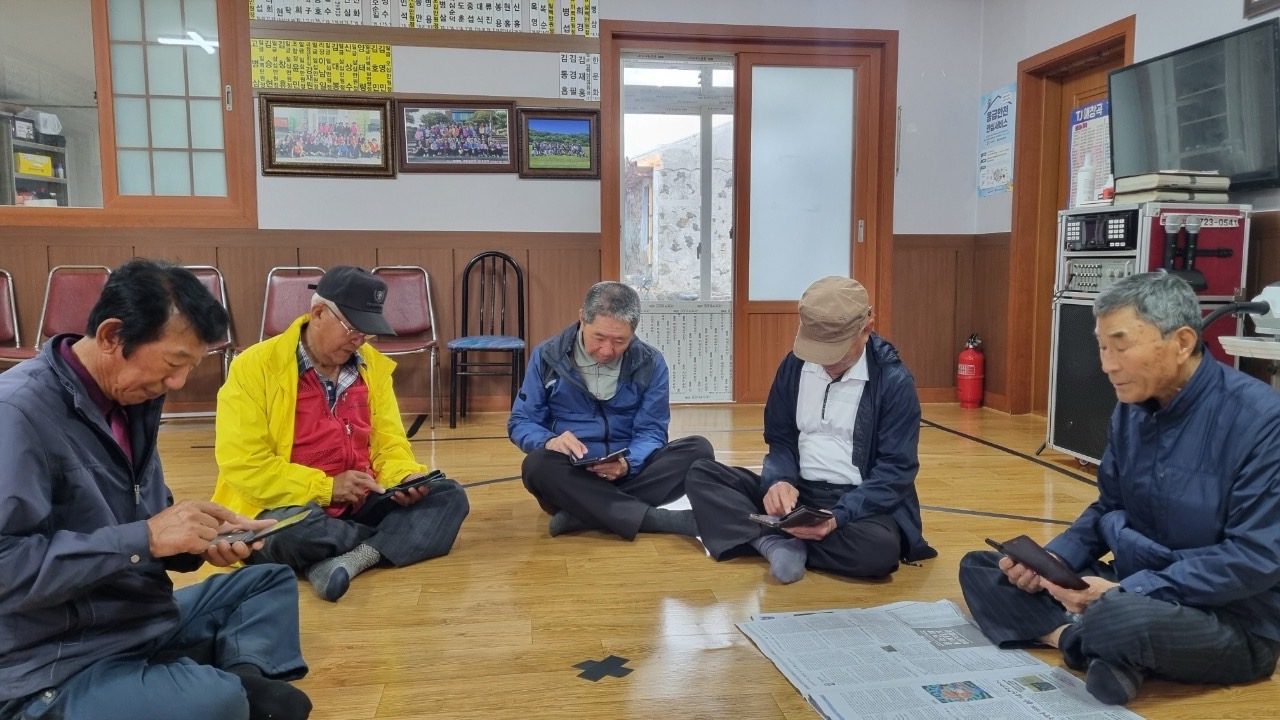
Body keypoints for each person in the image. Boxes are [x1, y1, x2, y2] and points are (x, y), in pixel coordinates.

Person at [0, 259, 311, 720]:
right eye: (174, 362)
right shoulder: (16, 412)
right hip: (54, 658)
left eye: (190, 366)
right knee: (219, 702)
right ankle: (223, 690)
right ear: (111, 336)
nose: (179, 382)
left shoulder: (131, 399)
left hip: (133, 618)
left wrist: (198, 541)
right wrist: (145, 538)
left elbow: (143, 517)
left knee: (269, 580)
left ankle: (234, 683)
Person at [959, 271, 1280, 706]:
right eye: (1101, 346)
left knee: (1120, 617)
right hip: (1129, 584)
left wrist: (1130, 592)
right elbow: (1108, 504)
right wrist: (1056, 559)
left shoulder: (1261, 420)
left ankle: (1096, 640)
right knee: (984, 566)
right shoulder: (1131, 407)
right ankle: (1088, 645)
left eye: (1121, 345)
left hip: (1228, 615)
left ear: (1182, 342)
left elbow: (1253, 559)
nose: (1107, 364)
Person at [213, 265, 470, 602]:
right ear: (318, 312)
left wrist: (402, 477)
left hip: (360, 501)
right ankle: (377, 545)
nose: (359, 340)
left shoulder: (372, 366)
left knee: (447, 494)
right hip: (287, 507)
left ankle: (347, 559)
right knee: (288, 532)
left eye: (367, 331)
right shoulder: (254, 367)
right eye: (353, 328)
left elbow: (390, 443)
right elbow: (244, 464)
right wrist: (327, 487)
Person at [686, 276, 936, 583]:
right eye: (816, 351)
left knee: (879, 552)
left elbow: (896, 470)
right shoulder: (793, 365)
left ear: (867, 329)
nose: (824, 363)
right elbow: (780, 439)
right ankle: (776, 541)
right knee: (702, 473)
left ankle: (763, 535)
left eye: (836, 353)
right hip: (797, 493)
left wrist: (838, 517)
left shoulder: (894, 382)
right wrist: (780, 479)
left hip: (857, 505)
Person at [509, 281, 714, 539]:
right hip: (572, 476)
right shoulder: (548, 356)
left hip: (630, 473)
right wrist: (550, 441)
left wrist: (628, 463)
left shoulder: (650, 362)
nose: (607, 351)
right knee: (536, 466)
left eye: (620, 341)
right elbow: (521, 421)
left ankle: (582, 515)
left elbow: (652, 430)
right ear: (582, 317)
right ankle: (653, 518)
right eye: (599, 337)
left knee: (699, 450)